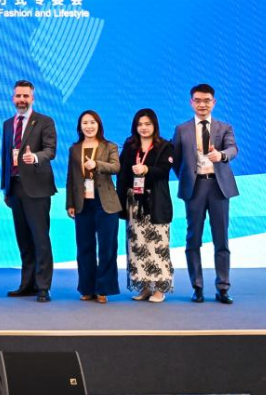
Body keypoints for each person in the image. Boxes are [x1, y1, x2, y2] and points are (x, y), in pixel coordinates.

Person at [172, 84, 239, 304]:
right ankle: (197, 287)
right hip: (195, 188)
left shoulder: (224, 127)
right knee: (193, 238)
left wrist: (221, 156)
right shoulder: (182, 129)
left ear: (214, 102)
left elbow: (233, 149)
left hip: (219, 188)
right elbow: (176, 160)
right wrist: (189, 178)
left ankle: (223, 287)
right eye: (198, 100)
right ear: (191, 102)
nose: (202, 104)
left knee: (221, 239)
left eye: (207, 100)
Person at [0, 80, 58, 303]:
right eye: (18, 96)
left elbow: (50, 151)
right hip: (15, 189)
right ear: (12, 98)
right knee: (23, 239)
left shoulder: (45, 121)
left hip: (37, 189)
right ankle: (27, 284)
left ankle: (43, 287)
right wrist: (6, 188)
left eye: (26, 96)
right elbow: (6, 157)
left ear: (32, 98)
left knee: (40, 239)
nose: (22, 100)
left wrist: (34, 157)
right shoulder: (8, 124)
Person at [117, 108, 175, 303]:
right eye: (140, 124)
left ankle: (159, 289)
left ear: (155, 125)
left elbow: (164, 171)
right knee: (137, 246)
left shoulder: (165, 146)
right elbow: (122, 173)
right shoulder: (130, 146)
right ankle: (144, 287)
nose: (143, 128)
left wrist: (146, 169)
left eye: (147, 124)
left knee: (157, 246)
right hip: (134, 202)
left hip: (155, 201)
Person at [65, 110, 121, 304]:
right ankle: (87, 288)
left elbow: (116, 167)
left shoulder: (110, 146)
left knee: (107, 247)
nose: (89, 126)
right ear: (80, 127)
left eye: (92, 122)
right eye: (85, 123)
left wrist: (97, 164)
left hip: (105, 203)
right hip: (83, 203)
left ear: (99, 125)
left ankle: (103, 288)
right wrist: (70, 203)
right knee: (84, 247)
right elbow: (71, 177)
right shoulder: (74, 149)